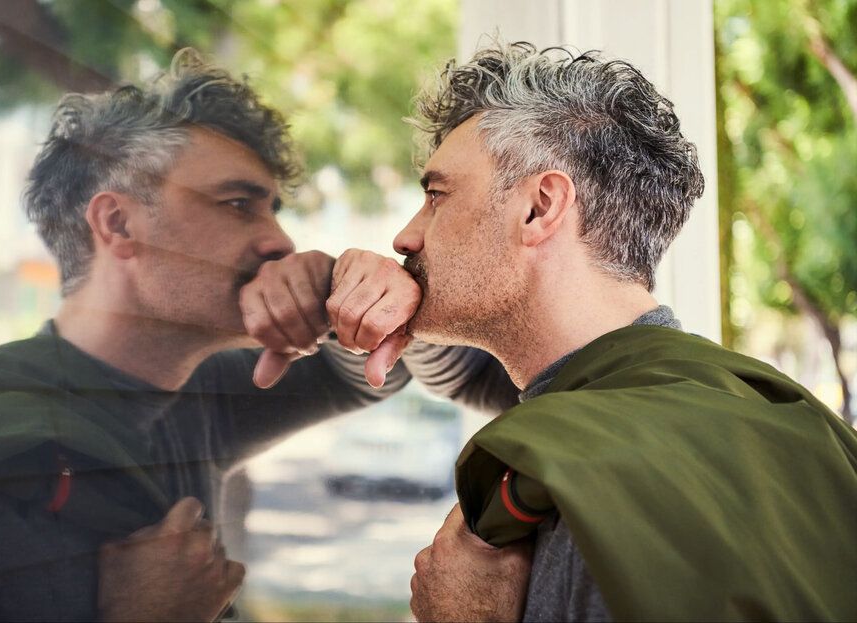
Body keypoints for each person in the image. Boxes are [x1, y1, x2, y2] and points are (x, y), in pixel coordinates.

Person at [0, 49, 518, 621]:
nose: (279, 241)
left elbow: (371, 372)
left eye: (274, 209)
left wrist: (343, 296)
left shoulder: (188, 396)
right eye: (238, 204)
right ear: (118, 224)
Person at [327, 42, 857, 621]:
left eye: (436, 196)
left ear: (539, 207)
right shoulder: (799, 426)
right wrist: (334, 292)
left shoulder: (591, 485)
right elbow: (461, 376)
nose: (405, 237)